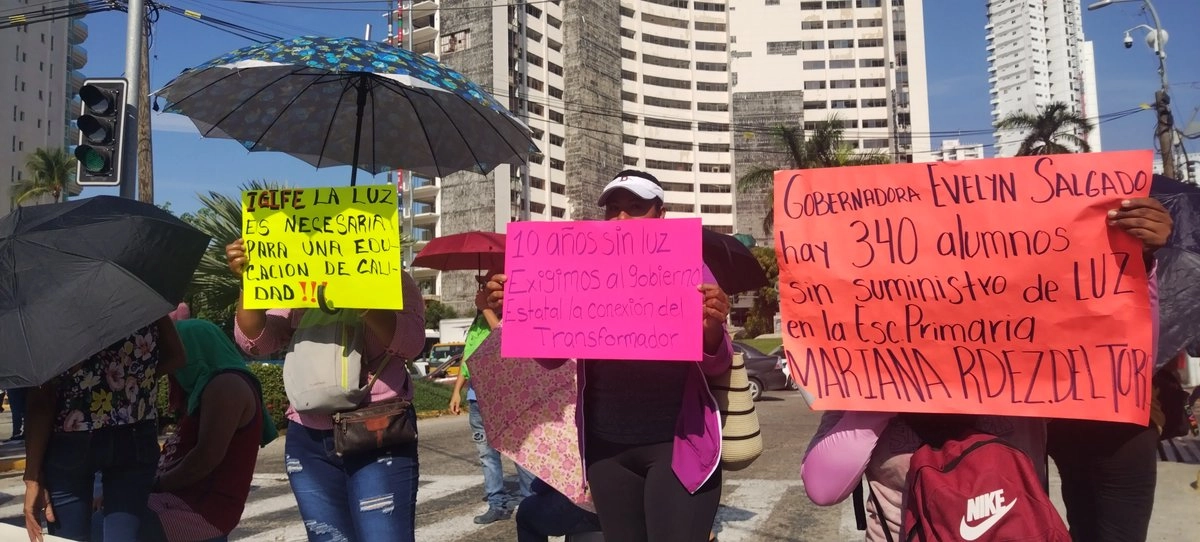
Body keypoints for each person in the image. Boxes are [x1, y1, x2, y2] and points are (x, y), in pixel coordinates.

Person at [486, 170, 733, 542]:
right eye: (613, 208)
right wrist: (520, 310)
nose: (622, 218)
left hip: (676, 445)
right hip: (607, 451)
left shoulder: (689, 267)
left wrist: (713, 325)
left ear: (660, 215)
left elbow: (718, 363)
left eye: (636, 207)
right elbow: (552, 358)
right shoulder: (579, 269)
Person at [225, 238, 426, 542]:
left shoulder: (396, 282)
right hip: (307, 437)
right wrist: (250, 280)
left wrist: (360, 295)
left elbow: (411, 344)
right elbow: (255, 341)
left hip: (378, 431)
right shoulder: (299, 281)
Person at [1046, 197, 1173, 542]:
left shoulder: (1129, 240)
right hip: (1051, 419)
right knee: (1077, 524)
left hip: (1120, 421)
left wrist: (1144, 253)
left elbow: (1143, 336)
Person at [23, 315, 186, 541]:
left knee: (69, 538)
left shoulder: (55, 310)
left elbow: (42, 400)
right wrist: (136, 382)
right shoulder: (141, 297)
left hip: (72, 435)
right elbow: (177, 356)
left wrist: (32, 475)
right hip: (136, 430)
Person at [136, 318, 278, 542]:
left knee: (110, 525)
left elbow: (205, 457)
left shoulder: (226, 385)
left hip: (198, 512)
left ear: (191, 349)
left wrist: (155, 485)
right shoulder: (204, 387)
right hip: (180, 502)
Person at [449, 270, 536, 524]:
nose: (487, 290)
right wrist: (457, 390)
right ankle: (496, 503)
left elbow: (505, 335)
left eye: (492, 287)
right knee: (487, 455)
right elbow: (469, 355)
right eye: (484, 287)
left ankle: (532, 504)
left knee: (521, 454)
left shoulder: (515, 316)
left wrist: (486, 308)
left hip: (508, 398)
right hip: (478, 400)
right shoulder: (477, 323)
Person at [515, 478, 603, 542]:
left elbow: (539, 486)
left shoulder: (577, 453)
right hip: (612, 511)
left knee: (526, 512)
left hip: (587, 509)